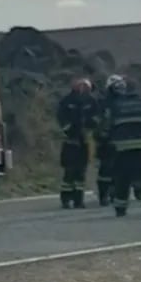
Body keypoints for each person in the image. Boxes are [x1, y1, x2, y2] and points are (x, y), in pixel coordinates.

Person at [99, 75, 141, 218]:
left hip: (123, 149)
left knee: (122, 178)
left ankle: (120, 208)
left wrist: (104, 139)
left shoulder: (115, 106)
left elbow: (106, 127)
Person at [56, 76, 93, 208]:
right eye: (80, 86)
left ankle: (79, 200)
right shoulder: (67, 101)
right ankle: (65, 199)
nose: (83, 89)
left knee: (81, 173)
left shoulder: (91, 101)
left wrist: (91, 127)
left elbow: (97, 116)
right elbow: (61, 117)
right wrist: (69, 130)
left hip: (84, 142)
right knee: (69, 172)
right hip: (71, 141)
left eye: (86, 87)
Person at [93, 74, 123, 206]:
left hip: (117, 141)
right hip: (107, 141)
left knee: (117, 169)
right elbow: (97, 121)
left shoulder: (122, 102)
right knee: (106, 170)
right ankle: (104, 195)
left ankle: (112, 193)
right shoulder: (103, 103)